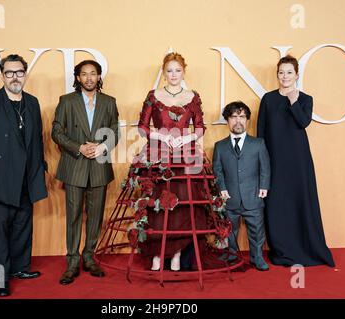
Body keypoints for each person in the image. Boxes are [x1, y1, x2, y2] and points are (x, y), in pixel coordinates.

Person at [0, 54, 48, 297]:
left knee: (21, 227)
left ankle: (19, 268)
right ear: (2, 75)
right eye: (9, 73)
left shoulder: (33, 103)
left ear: (25, 74)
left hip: (27, 178)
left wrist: (40, 169)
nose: (15, 77)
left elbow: (37, 139)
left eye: (19, 72)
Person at [257, 55, 335, 267]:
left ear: (297, 75)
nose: (285, 76)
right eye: (281, 72)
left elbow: (303, 122)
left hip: (298, 161)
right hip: (274, 160)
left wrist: (293, 101)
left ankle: (306, 247)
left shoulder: (305, 98)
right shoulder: (268, 99)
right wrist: (262, 162)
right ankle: (282, 249)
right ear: (277, 75)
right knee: (277, 205)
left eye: (289, 72)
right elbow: (261, 132)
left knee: (300, 201)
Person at [135, 52, 210, 271]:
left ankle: (176, 254)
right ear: (164, 72)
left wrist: (186, 137)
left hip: (185, 154)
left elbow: (200, 126)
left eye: (178, 70)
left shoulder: (192, 96)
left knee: (182, 205)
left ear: (184, 72)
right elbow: (142, 126)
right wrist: (161, 136)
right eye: (169, 70)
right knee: (157, 204)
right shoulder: (154, 95)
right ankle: (158, 254)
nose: (173, 74)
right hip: (158, 153)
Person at [52, 60, 119, 285]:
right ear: (78, 78)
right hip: (75, 165)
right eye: (84, 74)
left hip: (99, 165)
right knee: (73, 216)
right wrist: (79, 147)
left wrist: (101, 147)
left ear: (99, 77)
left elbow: (114, 132)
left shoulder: (109, 102)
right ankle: (72, 262)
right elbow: (57, 132)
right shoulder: (67, 101)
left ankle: (89, 257)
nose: (89, 78)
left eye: (93, 74)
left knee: (96, 216)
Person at [213, 101, 271, 271]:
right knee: (230, 230)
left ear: (247, 121)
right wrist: (221, 188)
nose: (238, 121)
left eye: (242, 117)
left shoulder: (258, 144)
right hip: (229, 197)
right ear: (227, 121)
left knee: (257, 230)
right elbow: (217, 170)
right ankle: (231, 254)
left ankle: (257, 257)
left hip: (253, 196)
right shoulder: (220, 146)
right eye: (233, 117)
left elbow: (265, 167)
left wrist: (264, 186)